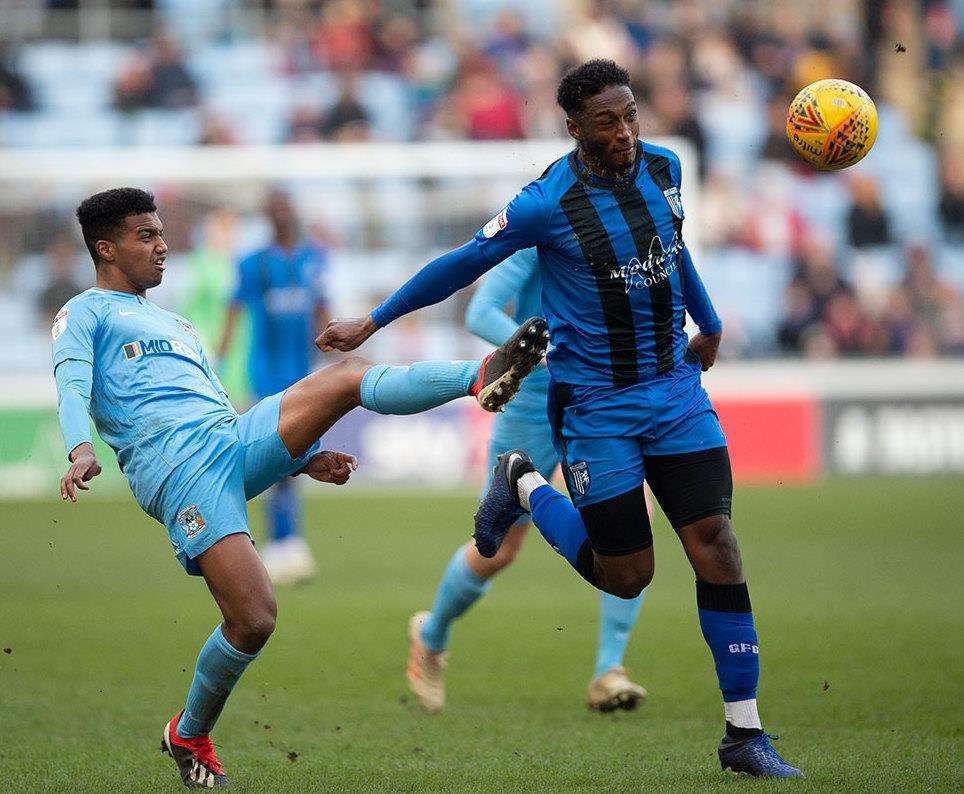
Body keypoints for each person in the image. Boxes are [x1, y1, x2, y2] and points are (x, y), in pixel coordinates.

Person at [319, 60, 802, 778]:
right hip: (595, 407)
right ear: (574, 128)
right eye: (608, 122)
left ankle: (744, 733)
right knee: (627, 575)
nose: (627, 132)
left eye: (631, 114)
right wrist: (375, 319)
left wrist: (709, 321)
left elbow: (672, 255)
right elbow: (463, 265)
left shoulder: (664, 168)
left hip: (675, 391)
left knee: (717, 544)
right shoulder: (546, 203)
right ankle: (520, 483)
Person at [53, 188, 547, 789]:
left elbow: (209, 399)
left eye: (160, 233)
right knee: (255, 617)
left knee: (344, 378)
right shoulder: (85, 313)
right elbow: (72, 382)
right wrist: (80, 448)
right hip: (178, 470)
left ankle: (478, 376)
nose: (162, 247)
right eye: (145, 236)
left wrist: (301, 459)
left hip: (228, 436)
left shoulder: (174, 320)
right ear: (105, 248)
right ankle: (189, 732)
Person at [407, 248, 647, 714]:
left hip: (596, 402)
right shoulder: (538, 235)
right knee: (496, 550)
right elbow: (481, 313)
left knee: (631, 516)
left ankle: (609, 669)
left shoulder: (617, 231)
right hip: (531, 403)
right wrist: (550, 355)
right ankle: (431, 637)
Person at [218, 190, 329, 584]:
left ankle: (283, 544)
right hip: (265, 376)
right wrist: (216, 364)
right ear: (269, 216)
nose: (284, 215)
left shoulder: (313, 257)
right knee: (276, 461)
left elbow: (321, 307)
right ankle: (279, 544)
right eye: (276, 209)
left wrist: (329, 342)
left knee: (293, 460)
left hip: (304, 375)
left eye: (287, 208)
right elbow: (233, 312)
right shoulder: (254, 264)